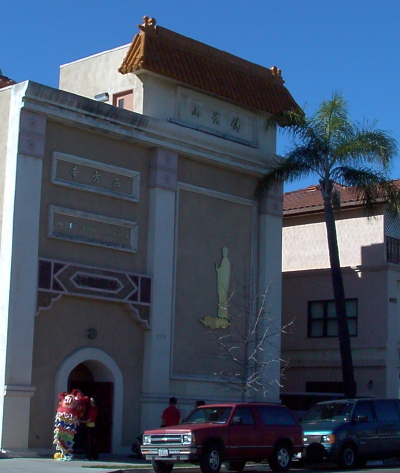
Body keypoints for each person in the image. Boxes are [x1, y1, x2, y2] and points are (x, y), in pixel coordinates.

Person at [53, 388, 89, 461]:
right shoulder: (77, 399)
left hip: (61, 417)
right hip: (70, 418)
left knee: (61, 435)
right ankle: (66, 452)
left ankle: (64, 452)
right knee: (68, 437)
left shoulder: (66, 397)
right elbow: (81, 409)